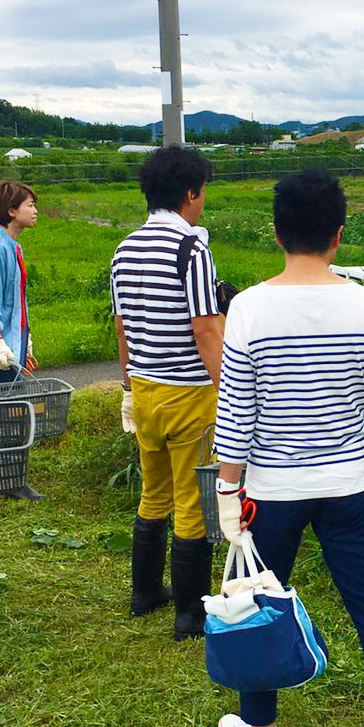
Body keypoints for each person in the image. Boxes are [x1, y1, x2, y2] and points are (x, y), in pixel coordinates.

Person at [212, 168, 364, 727]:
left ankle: (261, 724)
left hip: (272, 490)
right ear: (338, 235)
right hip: (349, 486)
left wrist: (229, 492)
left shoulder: (249, 305)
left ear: (277, 234)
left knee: (257, 600)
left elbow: (237, 410)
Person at [110, 145, 224, 640]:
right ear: (189, 194)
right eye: (202, 193)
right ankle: (190, 615)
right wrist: (230, 388)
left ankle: (144, 593)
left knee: (153, 493)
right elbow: (205, 328)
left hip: (146, 391)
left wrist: (128, 383)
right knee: (191, 501)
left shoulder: (125, 248)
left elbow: (122, 327)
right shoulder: (191, 249)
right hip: (189, 395)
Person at [0, 179, 43, 500]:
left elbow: (14, 300)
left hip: (12, 342)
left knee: (7, 408)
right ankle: (7, 479)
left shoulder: (13, 245)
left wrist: (23, 340)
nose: (36, 211)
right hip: (0, 346)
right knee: (4, 411)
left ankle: (8, 477)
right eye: (30, 205)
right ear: (11, 210)